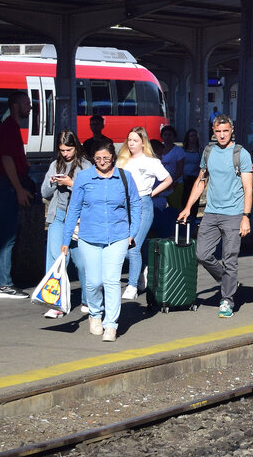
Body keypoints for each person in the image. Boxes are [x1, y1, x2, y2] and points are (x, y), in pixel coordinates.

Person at [63, 139, 141, 342]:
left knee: (111, 280)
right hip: (89, 237)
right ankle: (95, 313)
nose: (102, 161)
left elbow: (136, 204)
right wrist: (65, 239)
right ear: (93, 159)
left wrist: (132, 232)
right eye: (98, 158)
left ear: (113, 157)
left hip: (118, 236)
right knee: (94, 282)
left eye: (106, 157)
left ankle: (111, 325)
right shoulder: (84, 178)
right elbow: (74, 209)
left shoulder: (124, 177)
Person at [178, 114, 253, 318]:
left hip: (233, 214)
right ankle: (227, 280)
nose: (222, 135)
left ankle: (227, 300)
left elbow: (248, 187)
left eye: (225, 131)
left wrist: (246, 216)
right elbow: (201, 181)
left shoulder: (241, 154)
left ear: (232, 130)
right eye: (218, 131)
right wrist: (188, 207)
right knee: (202, 254)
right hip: (211, 213)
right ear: (213, 131)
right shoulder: (208, 151)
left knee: (230, 259)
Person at [38, 131, 92, 318]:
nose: (65, 154)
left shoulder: (85, 165)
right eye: (62, 150)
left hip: (78, 219)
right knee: (58, 258)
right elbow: (44, 193)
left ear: (76, 146)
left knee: (82, 263)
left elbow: (90, 193)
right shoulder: (55, 164)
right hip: (59, 215)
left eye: (69, 149)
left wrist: (71, 183)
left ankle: (88, 300)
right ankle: (55, 302)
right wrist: (53, 182)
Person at [116, 127, 172, 300]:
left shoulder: (151, 162)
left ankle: (132, 285)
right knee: (123, 247)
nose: (131, 143)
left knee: (133, 246)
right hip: (124, 205)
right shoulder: (122, 161)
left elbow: (168, 179)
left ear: (143, 142)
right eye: (129, 140)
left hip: (143, 204)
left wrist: (151, 194)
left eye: (135, 140)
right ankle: (141, 269)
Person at [0, 90, 33, 298]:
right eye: (27, 104)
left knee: (4, 234)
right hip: (7, 186)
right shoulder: (9, 128)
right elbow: (7, 159)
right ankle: (3, 284)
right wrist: (19, 189)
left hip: (7, 185)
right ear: (15, 106)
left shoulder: (10, 127)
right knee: (8, 235)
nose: (30, 107)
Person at [157, 125, 186, 232]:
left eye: (170, 135)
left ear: (174, 137)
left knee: (176, 208)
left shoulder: (178, 151)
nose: (167, 137)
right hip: (161, 185)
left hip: (175, 184)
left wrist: (171, 182)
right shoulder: (159, 149)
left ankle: (180, 229)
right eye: (165, 135)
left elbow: (180, 169)